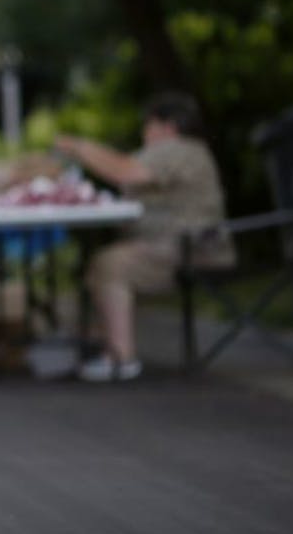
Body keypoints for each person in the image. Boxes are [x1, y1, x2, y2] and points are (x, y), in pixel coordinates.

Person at [55, 91, 233, 382]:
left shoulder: (179, 149)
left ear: (168, 126)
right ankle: (104, 344)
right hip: (180, 246)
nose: (145, 133)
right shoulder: (174, 152)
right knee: (105, 263)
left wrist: (79, 147)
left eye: (148, 126)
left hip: (192, 249)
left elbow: (125, 172)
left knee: (112, 264)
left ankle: (121, 356)